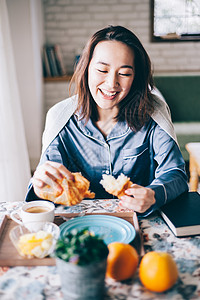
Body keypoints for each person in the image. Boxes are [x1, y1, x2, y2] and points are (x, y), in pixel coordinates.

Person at [26, 25, 188, 216]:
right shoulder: (59, 118)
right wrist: (40, 185)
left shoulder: (153, 113)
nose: (112, 83)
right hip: (79, 225)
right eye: (102, 70)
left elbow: (176, 174)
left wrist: (155, 194)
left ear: (136, 77)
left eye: (125, 73)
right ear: (86, 69)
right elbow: (49, 186)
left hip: (137, 221)